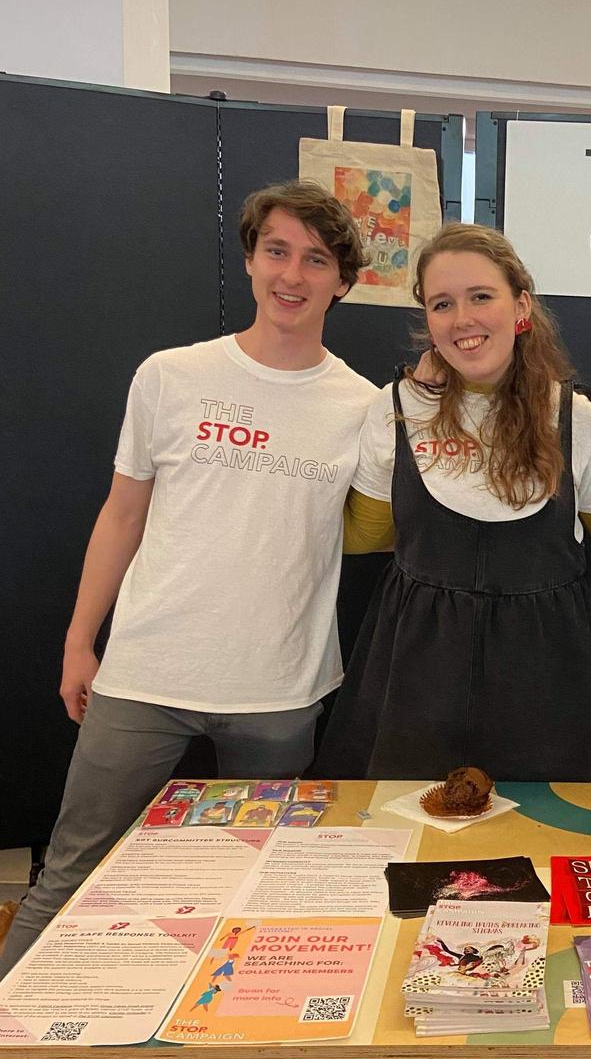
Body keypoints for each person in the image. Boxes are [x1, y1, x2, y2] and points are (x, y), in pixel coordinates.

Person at [0, 182, 375, 1009]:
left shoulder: (363, 408)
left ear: (343, 281)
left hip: (279, 691)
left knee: (251, 893)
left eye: (316, 259)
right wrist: (79, 639)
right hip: (145, 674)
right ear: (250, 259)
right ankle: (12, 1053)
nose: (292, 274)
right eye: (276, 251)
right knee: (73, 870)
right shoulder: (171, 376)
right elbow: (122, 513)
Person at [324, 222, 591, 1059]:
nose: (461, 317)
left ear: (521, 307)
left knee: (529, 863)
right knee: (415, 858)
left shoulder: (581, 417)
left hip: (544, 666)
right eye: (441, 302)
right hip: (422, 657)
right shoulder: (397, 407)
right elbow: (366, 531)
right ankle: (413, 1055)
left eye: (479, 296)